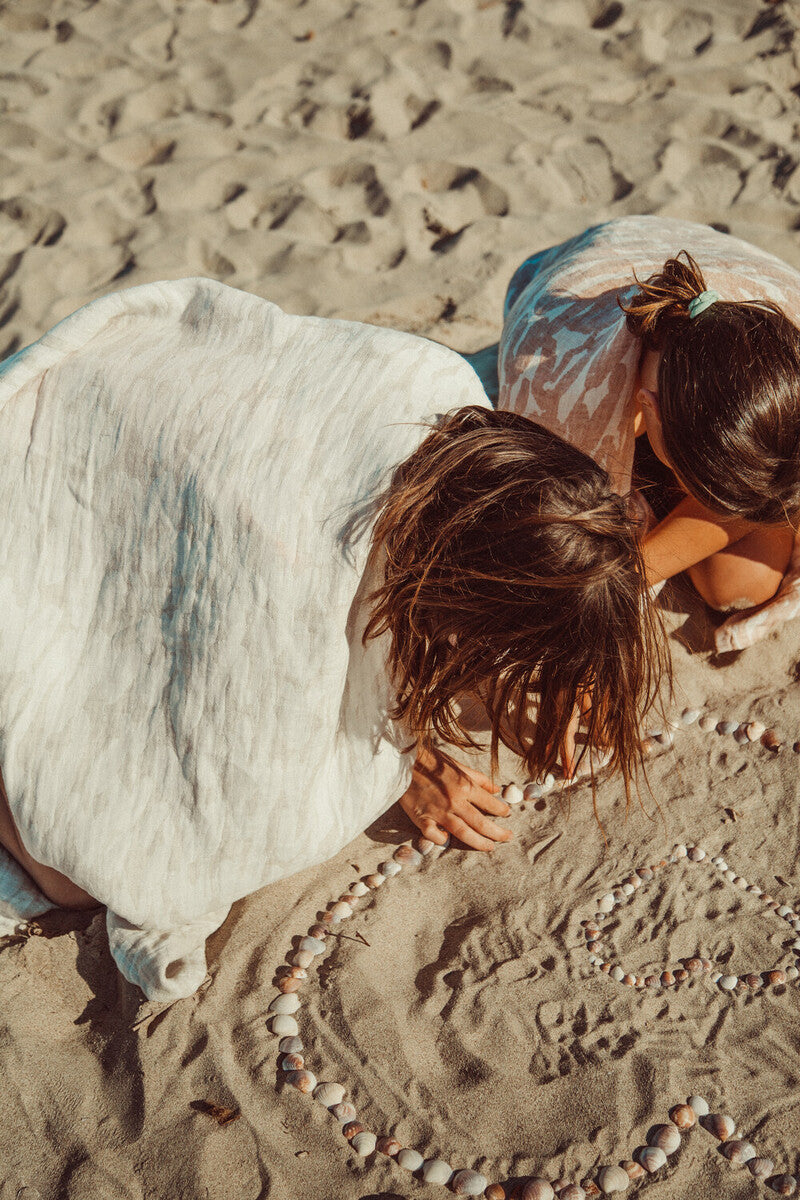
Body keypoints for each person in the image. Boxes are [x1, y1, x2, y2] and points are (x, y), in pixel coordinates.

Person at [0, 278, 662, 1000]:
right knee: (84, 872)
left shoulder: (439, 384)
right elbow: (235, 758)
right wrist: (406, 764)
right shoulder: (298, 593)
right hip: (57, 470)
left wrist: (573, 668)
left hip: (136, 407)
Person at [469, 215, 800, 651]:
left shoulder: (788, 347)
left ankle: (675, 500)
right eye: (701, 486)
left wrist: (632, 572)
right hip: (580, 278)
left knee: (741, 585)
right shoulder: (557, 391)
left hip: (721, 273)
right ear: (650, 409)